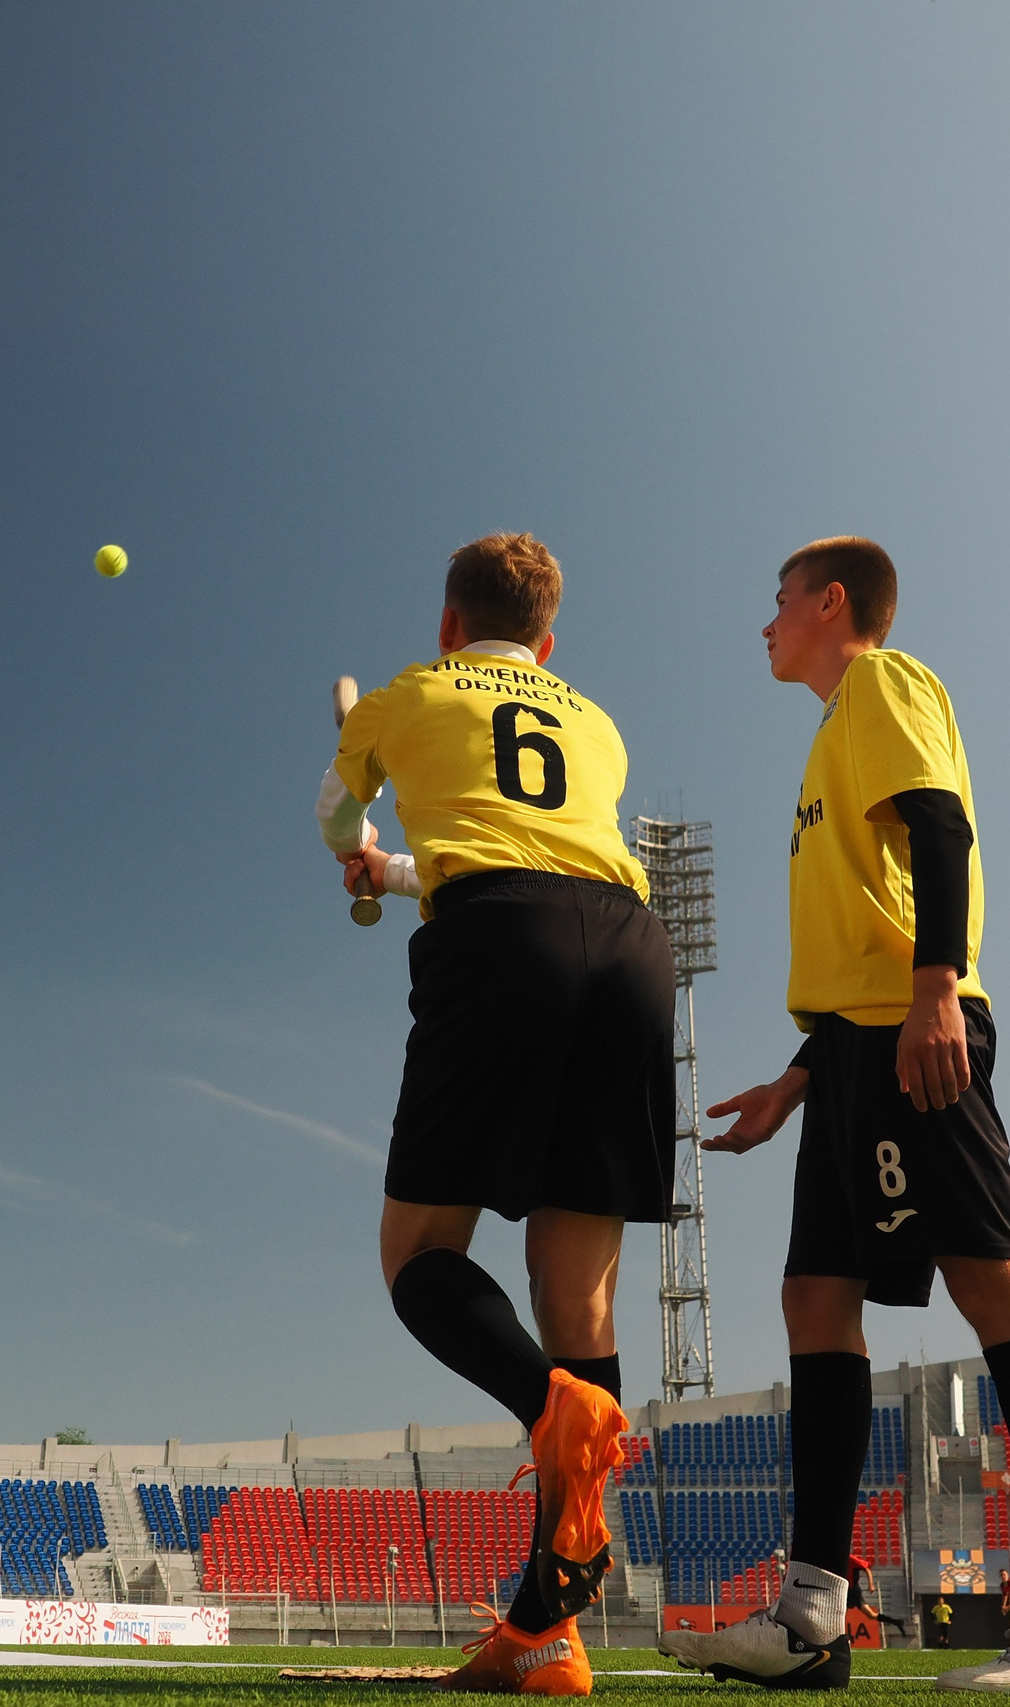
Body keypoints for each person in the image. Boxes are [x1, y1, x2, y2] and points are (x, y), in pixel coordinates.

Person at [660, 538, 1010, 1694]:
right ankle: (811, 1617)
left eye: (778, 601)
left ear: (831, 605)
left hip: (912, 1030)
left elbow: (940, 828)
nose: (765, 623)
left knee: (992, 1281)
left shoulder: (882, 680)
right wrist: (799, 1077)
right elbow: (863, 926)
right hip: (850, 1048)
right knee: (812, 1296)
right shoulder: (830, 732)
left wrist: (935, 993)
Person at [324, 532, 673, 1696]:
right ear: (547, 642)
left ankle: (548, 1409)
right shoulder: (596, 724)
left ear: (446, 622)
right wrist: (400, 873)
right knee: (579, 1301)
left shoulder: (406, 695)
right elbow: (523, 846)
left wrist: (358, 849)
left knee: (419, 1257)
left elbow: (334, 818)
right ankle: (547, 1637)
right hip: (630, 948)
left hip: (500, 946)